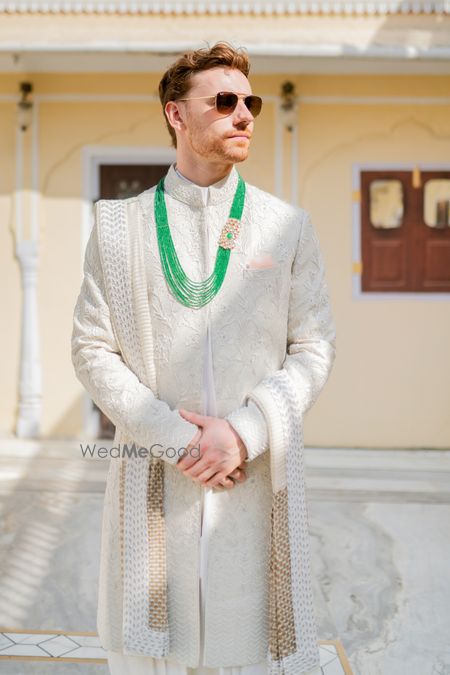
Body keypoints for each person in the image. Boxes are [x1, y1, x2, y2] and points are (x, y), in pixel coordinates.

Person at [71, 41, 336, 675]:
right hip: (156, 479)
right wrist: (181, 443)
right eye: (224, 101)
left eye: (252, 102)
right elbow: (91, 348)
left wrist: (243, 435)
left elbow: (314, 345)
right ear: (176, 115)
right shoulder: (117, 226)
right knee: (148, 655)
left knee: (250, 650)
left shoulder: (285, 226)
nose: (244, 114)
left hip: (253, 480)